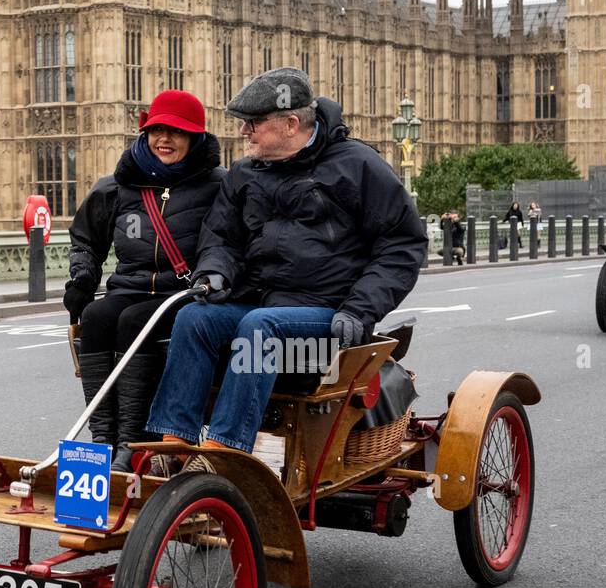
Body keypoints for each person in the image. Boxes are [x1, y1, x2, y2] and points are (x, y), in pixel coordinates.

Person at [145, 67, 426, 457]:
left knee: (261, 327)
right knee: (195, 318)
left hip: (326, 319)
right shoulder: (244, 172)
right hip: (261, 303)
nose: (244, 132)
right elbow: (221, 237)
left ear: (291, 123)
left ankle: (225, 452)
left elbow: (402, 244)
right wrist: (215, 272)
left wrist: (359, 310)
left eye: (253, 123)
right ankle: (171, 446)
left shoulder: (357, 165)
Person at [63, 89, 225, 471]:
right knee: (99, 316)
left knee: (134, 321)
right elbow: (86, 239)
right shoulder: (117, 185)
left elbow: (227, 241)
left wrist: (213, 275)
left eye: (176, 132)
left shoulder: (218, 186)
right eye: (157, 131)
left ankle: (132, 442)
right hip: (132, 285)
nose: (164, 140)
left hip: (186, 292)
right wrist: (83, 276)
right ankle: (102, 440)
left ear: (195, 138)